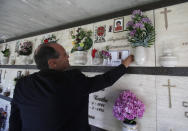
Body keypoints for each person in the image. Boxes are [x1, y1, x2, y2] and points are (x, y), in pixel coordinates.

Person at [9, 43, 134, 131]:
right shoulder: (71, 79)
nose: (68, 57)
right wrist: (124, 65)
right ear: (52, 63)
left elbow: (15, 119)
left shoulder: (22, 84)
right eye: (64, 55)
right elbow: (104, 80)